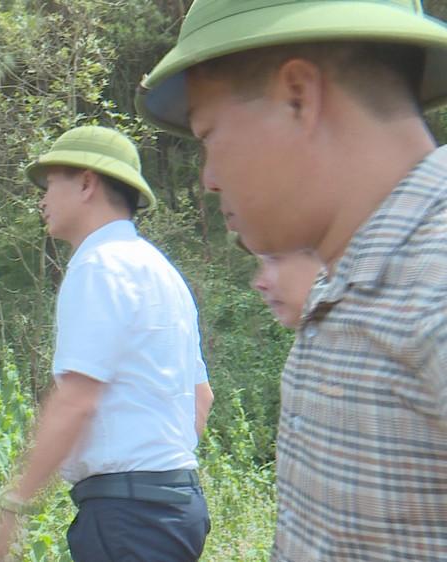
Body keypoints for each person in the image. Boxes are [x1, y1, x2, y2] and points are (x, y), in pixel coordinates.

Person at [137, 1, 447, 559]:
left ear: (298, 96)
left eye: (208, 135)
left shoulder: (434, 286)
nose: (207, 178)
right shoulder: (348, 286)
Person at [0, 125, 214, 561]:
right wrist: (160, 475)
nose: (42, 199)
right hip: (174, 508)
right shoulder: (161, 270)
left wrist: (15, 504)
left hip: (129, 519)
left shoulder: (98, 267)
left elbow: (77, 400)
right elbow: (200, 398)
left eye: (50, 183)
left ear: (87, 182)